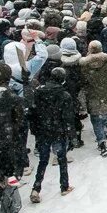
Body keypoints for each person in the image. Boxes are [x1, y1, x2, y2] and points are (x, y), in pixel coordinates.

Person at [29, 66, 76, 202]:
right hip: (58, 131)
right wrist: (71, 135)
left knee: (43, 161)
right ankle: (64, 186)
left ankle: (36, 188)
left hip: (43, 131)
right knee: (62, 159)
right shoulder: (64, 95)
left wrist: (35, 130)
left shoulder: (38, 92)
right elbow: (68, 117)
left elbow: (33, 113)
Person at [79, 41, 107, 157]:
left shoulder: (84, 64)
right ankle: (105, 130)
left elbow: (83, 80)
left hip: (92, 94)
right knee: (106, 113)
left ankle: (101, 141)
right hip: (106, 92)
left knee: (95, 118)